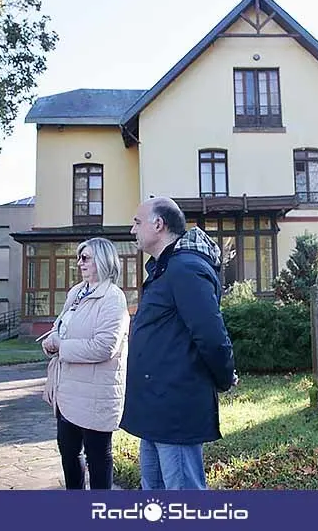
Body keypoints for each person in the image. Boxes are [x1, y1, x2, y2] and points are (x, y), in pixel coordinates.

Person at [121, 197, 237, 490]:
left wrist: (223, 378)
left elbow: (211, 334)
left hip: (174, 408)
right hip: (155, 407)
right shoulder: (164, 268)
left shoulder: (185, 268)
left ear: (158, 225)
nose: (132, 230)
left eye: (137, 222)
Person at [41, 238, 130, 490]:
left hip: (95, 394)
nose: (79, 262)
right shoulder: (76, 292)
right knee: (69, 454)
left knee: (98, 457)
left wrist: (61, 346)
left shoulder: (113, 298)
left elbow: (105, 347)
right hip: (68, 391)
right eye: (79, 257)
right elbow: (61, 329)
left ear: (103, 260)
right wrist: (51, 341)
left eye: (86, 257)